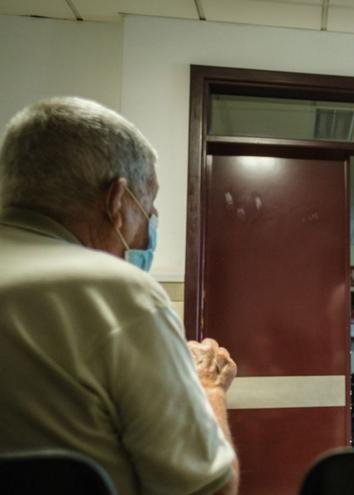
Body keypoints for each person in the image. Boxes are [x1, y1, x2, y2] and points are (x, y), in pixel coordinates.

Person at [0, 97, 239, 495]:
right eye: (149, 204)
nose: (151, 223)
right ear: (117, 200)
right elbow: (207, 490)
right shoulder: (115, 293)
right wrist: (208, 387)